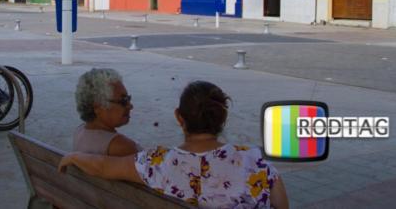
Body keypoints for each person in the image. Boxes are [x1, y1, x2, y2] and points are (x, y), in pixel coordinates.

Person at [59, 81, 289, 209]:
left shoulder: (158, 163)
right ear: (222, 119)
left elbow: (103, 166)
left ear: (179, 118)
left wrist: (74, 157)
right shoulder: (256, 162)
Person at [73, 69, 140, 157]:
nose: (130, 106)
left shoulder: (79, 132)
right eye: (124, 101)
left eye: (128, 98)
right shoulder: (122, 147)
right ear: (98, 108)